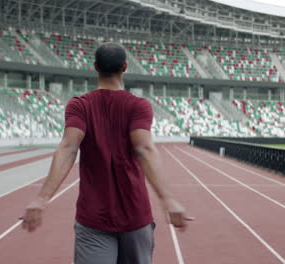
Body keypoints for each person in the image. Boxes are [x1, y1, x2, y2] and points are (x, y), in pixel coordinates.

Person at [21, 42, 190, 264]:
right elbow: (144, 148)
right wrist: (168, 199)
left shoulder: (79, 105)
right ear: (125, 67)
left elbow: (68, 148)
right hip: (135, 215)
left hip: (93, 218)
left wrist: (42, 199)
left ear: (95, 67)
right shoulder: (139, 106)